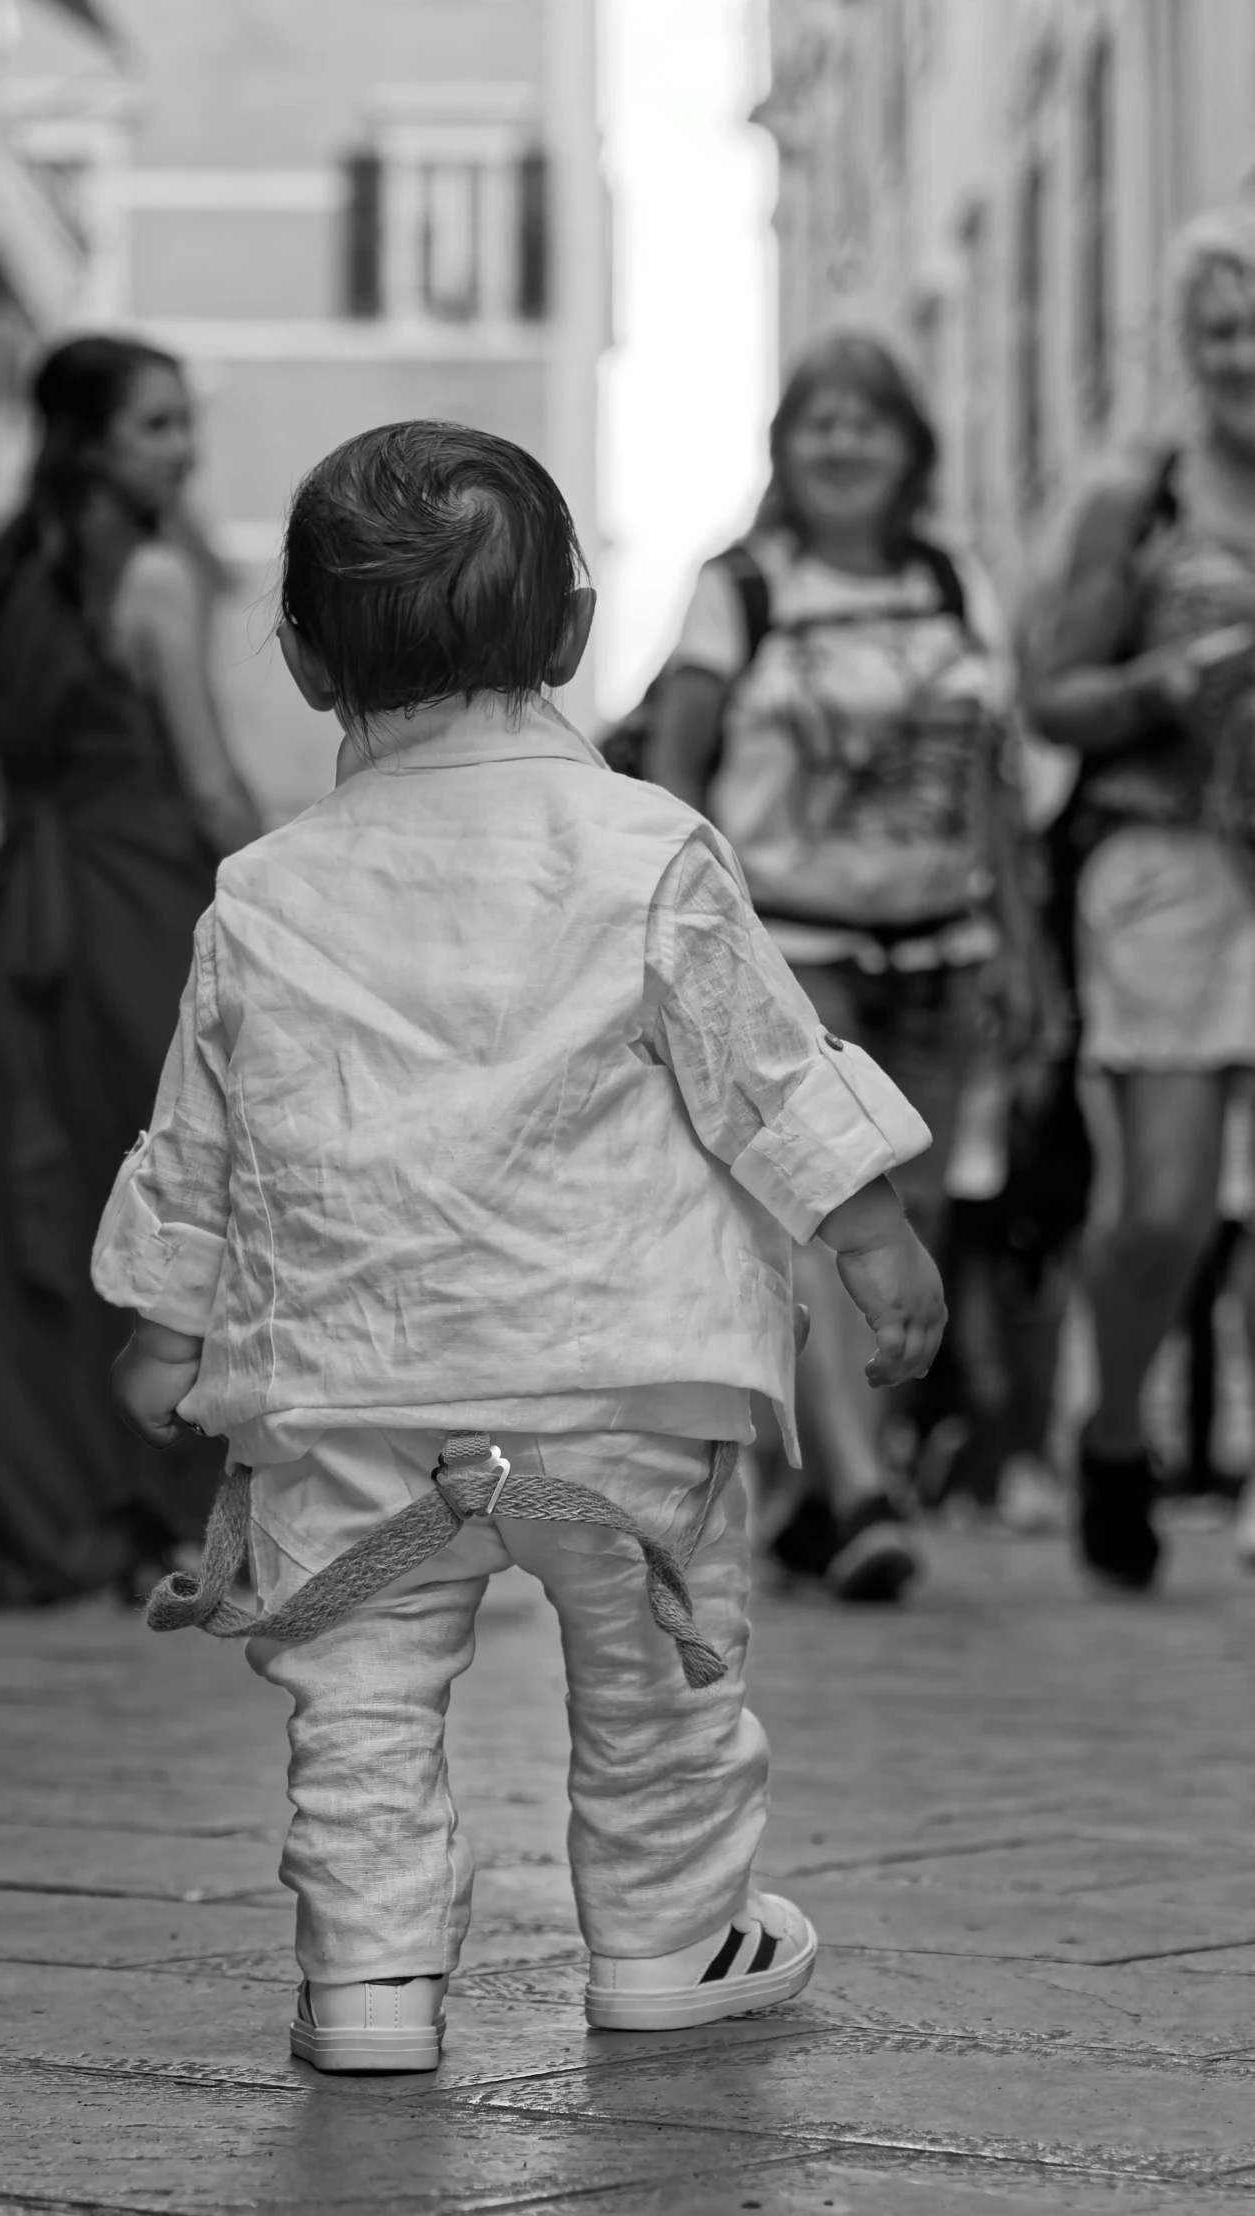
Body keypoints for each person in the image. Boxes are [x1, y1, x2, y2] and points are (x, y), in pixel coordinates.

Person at [92, 421, 945, 2074]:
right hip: (624, 1381)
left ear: (296, 659)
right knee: (658, 1689)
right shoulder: (649, 850)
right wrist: (868, 1229)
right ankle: (667, 1942)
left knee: (359, 1703)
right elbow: (759, 1069)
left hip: (354, 1397)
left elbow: (200, 1137)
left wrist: (166, 1324)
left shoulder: (259, 893)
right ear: (569, 632)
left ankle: (370, 1982)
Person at [0, 335, 263, 1608]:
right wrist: (299, 898)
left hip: (20, 913)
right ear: (88, 440)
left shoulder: (6, 577)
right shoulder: (151, 580)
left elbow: (1, 766)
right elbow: (205, 779)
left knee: (26, 1212)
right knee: (175, 1207)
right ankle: (154, 1507)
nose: (182, 450)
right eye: (156, 428)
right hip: (134, 907)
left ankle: (56, 1506)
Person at [635, 332, 1033, 1603]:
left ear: (913, 445)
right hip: (788, 951)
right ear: (783, 448)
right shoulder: (739, 585)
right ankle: (864, 1492)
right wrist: (689, 941)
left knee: (907, 1223)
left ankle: (817, 1487)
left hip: (939, 945)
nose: (844, 440)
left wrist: (1022, 942)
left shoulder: (954, 578)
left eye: (869, 419)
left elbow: (995, 780)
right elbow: (677, 767)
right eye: (819, 420)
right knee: (818, 1207)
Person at [1023, 207, 1255, 1591]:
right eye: (1224, 327)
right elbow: (1050, 696)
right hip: (1162, 859)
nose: (1248, 354)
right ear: (1189, 343)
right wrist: (1164, 687)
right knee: (1163, 1206)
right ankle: (1112, 1428)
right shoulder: (1140, 498)